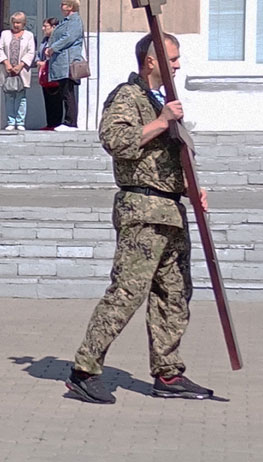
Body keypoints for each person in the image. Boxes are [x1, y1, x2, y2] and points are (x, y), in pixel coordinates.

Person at [66, 33, 214, 404]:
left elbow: (174, 156)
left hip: (171, 209)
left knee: (174, 295)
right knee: (126, 293)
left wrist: (192, 188)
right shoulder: (127, 96)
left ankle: (168, 373)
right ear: (152, 61)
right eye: (173, 58)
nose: (178, 65)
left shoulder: (164, 100)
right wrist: (162, 121)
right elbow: (114, 140)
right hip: (142, 210)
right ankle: (84, 369)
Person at [45, 0, 84, 128]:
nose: (61, 7)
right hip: (62, 63)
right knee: (65, 92)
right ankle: (68, 121)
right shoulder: (67, 21)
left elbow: (69, 38)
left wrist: (53, 48)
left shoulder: (74, 21)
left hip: (68, 62)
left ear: (70, 6)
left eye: (63, 4)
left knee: (68, 93)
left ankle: (70, 122)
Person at [0, 12, 36, 131]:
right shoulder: (5, 34)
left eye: (18, 22)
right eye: (14, 22)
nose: (16, 25)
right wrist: (6, 63)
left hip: (21, 71)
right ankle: (10, 121)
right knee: (9, 97)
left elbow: (31, 52)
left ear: (23, 23)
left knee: (21, 97)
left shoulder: (29, 35)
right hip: (8, 71)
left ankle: (20, 122)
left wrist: (21, 65)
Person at [36, 18, 63, 130]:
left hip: (55, 73)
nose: (43, 29)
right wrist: (38, 61)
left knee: (56, 100)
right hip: (44, 74)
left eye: (45, 26)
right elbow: (39, 53)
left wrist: (46, 63)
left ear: (54, 27)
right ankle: (50, 123)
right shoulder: (44, 40)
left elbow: (58, 55)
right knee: (48, 99)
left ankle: (56, 123)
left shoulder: (58, 40)